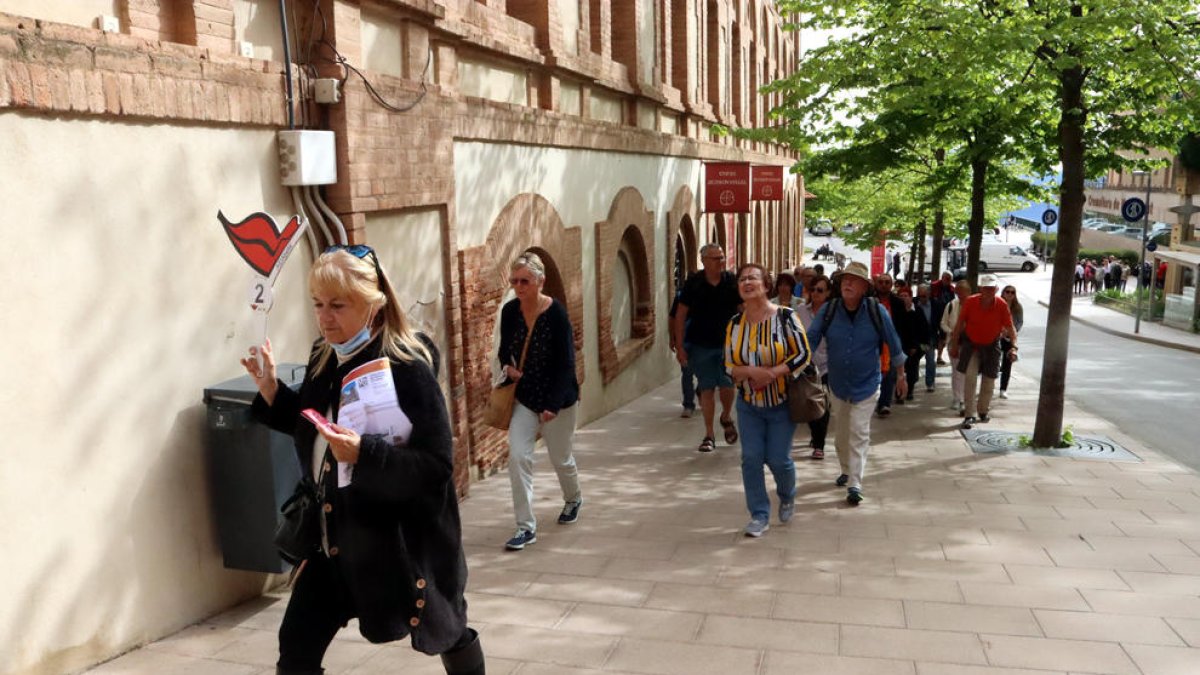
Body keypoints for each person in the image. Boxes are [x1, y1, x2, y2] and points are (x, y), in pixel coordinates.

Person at [240, 245, 484, 675]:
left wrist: (364, 455)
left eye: (338, 305)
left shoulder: (408, 366)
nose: (325, 317)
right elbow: (315, 427)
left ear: (373, 303)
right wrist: (273, 392)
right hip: (333, 539)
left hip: (398, 545)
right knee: (295, 648)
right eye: (317, 304)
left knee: (447, 628)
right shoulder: (323, 356)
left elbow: (437, 465)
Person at [498, 252, 582, 551]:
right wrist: (507, 367)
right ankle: (525, 527)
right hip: (524, 398)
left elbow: (566, 363)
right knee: (518, 457)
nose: (519, 287)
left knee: (561, 458)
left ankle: (573, 498)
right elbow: (503, 351)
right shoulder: (510, 312)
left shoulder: (556, 314)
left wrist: (553, 404)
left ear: (540, 281)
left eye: (525, 281)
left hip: (557, 401)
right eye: (515, 281)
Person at [804, 262, 907, 505]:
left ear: (864, 287)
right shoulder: (829, 310)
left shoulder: (876, 311)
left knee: (859, 432)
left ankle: (855, 483)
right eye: (845, 279)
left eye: (854, 280)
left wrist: (901, 376)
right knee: (841, 433)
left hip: (867, 383)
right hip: (837, 382)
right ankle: (845, 469)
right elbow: (810, 339)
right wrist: (796, 365)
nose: (848, 283)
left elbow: (893, 343)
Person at [724, 263, 811, 537]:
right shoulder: (735, 324)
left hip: (782, 403)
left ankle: (787, 494)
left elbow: (801, 354)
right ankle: (759, 514)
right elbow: (728, 365)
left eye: (752, 278)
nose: (746, 282)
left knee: (777, 460)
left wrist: (772, 373)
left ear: (766, 284)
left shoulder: (785, 317)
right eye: (742, 279)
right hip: (748, 405)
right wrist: (750, 372)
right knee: (750, 459)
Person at [675, 244, 743, 453]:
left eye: (722, 257)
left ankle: (725, 415)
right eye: (715, 258)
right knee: (706, 388)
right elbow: (680, 315)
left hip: (728, 345)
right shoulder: (693, 284)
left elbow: (743, 310)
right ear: (704, 261)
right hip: (700, 344)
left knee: (727, 386)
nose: (720, 262)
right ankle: (709, 434)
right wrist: (679, 346)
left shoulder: (731, 281)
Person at [950, 274, 1017, 429]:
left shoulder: (1001, 304)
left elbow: (1010, 327)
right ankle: (969, 414)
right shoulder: (971, 302)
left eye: (991, 288)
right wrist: (954, 345)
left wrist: (1014, 346)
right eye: (986, 288)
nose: (988, 291)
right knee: (970, 379)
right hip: (972, 345)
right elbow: (960, 324)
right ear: (981, 288)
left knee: (989, 380)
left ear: (996, 289)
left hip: (992, 345)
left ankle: (983, 410)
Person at [796, 274, 832, 459]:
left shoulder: (832, 312)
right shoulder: (801, 310)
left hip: (828, 366)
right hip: (807, 366)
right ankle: (815, 434)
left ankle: (819, 445)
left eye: (820, 290)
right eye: (813, 289)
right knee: (810, 403)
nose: (816, 293)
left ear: (828, 293)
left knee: (824, 404)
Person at [894, 284, 935, 400]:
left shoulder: (917, 311)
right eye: (901, 296)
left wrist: (917, 346)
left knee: (912, 369)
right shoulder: (897, 312)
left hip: (916, 347)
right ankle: (899, 393)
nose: (903, 298)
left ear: (911, 297)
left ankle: (910, 390)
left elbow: (924, 331)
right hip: (900, 346)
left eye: (906, 296)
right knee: (899, 371)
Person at [939, 280, 971, 414]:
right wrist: (951, 332)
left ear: (968, 292)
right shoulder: (951, 305)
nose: (960, 295)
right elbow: (943, 323)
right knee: (957, 372)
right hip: (954, 343)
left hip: (970, 344)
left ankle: (965, 399)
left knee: (968, 373)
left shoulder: (974, 305)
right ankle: (957, 398)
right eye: (958, 292)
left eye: (962, 292)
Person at [871, 273, 898, 417]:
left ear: (891, 284)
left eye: (887, 282)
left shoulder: (897, 302)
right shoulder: (869, 301)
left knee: (890, 374)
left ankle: (884, 404)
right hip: (873, 343)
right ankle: (871, 400)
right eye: (881, 282)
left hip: (892, 344)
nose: (884, 285)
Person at [668, 290, 697, 418]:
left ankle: (701, 392)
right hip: (685, 341)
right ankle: (688, 404)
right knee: (687, 372)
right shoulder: (681, 296)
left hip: (703, 341)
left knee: (704, 372)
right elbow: (672, 318)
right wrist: (673, 338)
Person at [998, 285, 1024, 399]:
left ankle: (1003, 389)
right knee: (993, 363)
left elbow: (1019, 322)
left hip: (1009, 338)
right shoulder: (997, 304)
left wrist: (1011, 332)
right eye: (1007, 292)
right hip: (997, 337)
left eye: (1012, 292)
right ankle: (988, 385)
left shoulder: (1018, 308)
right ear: (1003, 293)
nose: (1009, 294)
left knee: (1007, 364)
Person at [931, 271, 955, 364]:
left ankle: (939, 357)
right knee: (933, 335)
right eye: (947, 279)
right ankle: (931, 355)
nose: (948, 281)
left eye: (950, 280)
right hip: (934, 315)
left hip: (945, 316)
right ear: (942, 277)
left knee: (943, 337)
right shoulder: (934, 286)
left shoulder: (952, 289)